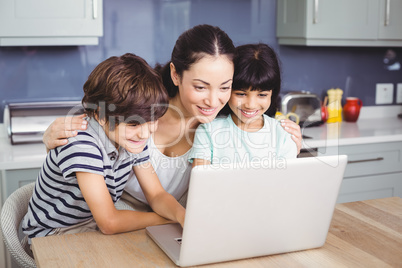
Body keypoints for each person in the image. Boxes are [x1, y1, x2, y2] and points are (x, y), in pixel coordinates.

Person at [42, 25, 302, 215]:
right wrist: (50, 135)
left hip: (176, 222)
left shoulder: (228, 122)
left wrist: (290, 142)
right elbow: (96, 116)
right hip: (119, 217)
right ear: (176, 74)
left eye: (225, 87)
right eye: (200, 87)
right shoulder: (142, 107)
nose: (213, 101)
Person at [22, 53, 185, 243]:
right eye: (133, 124)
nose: (145, 133)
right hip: (51, 235)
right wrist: (166, 219)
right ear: (100, 115)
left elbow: (156, 194)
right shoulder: (82, 144)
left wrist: (182, 215)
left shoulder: (133, 140)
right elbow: (109, 222)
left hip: (89, 225)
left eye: (152, 121)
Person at [189, 43, 297, 166]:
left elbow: (287, 182)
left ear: (272, 94)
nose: (250, 105)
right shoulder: (208, 131)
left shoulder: (283, 134)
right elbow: (202, 182)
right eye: (241, 94)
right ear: (227, 89)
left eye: (262, 95)